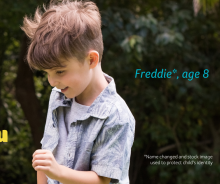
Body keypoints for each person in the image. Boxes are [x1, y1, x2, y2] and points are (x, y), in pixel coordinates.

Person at [21, 0, 135, 183]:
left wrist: (58, 172)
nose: (52, 82)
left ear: (90, 60)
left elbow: (102, 180)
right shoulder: (58, 96)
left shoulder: (116, 115)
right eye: (47, 73)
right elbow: (45, 157)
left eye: (59, 71)